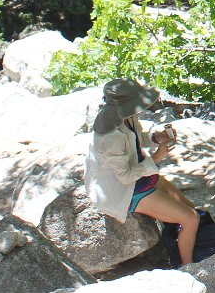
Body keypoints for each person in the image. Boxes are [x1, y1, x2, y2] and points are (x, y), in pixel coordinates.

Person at [84, 78, 201, 264]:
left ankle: (179, 241)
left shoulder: (125, 117)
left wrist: (156, 138)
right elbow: (125, 177)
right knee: (191, 219)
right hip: (124, 189)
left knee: (191, 208)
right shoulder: (110, 136)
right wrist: (155, 159)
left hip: (140, 175)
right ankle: (188, 267)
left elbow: (135, 140)